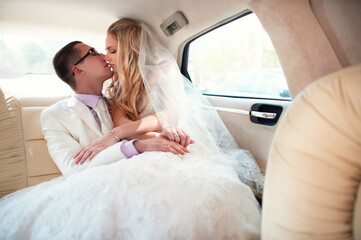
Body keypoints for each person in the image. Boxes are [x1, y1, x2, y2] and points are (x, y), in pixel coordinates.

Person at [0, 20, 262, 240]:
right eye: (96, 51)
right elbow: (79, 164)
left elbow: (134, 127)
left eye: (110, 50)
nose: (104, 55)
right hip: (108, 175)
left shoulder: (120, 90)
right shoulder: (57, 115)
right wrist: (139, 142)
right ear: (78, 69)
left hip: (149, 158)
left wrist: (161, 135)